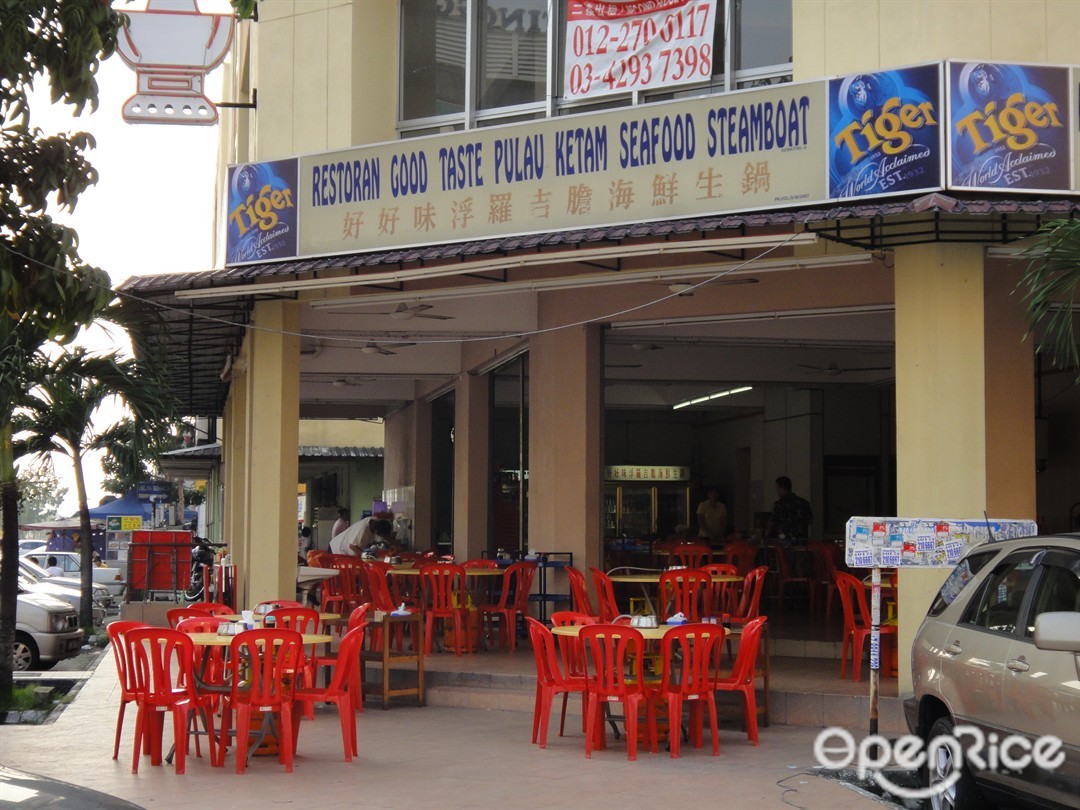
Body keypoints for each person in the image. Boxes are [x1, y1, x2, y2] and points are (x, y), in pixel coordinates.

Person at [767, 476, 813, 545]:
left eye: (777, 487)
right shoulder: (804, 503)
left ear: (782, 488)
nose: (776, 490)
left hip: (784, 540)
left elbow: (772, 522)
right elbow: (810, 520)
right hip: (802, 540)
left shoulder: (779, 504)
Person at [329, 513, 395, 556]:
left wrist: (396, 545)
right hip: (337, 550)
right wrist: (367, 556)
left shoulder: (374, 521)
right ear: (376, 532)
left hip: (343, 548)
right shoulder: (362, 531)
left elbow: (386, 536)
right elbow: (352, 546)